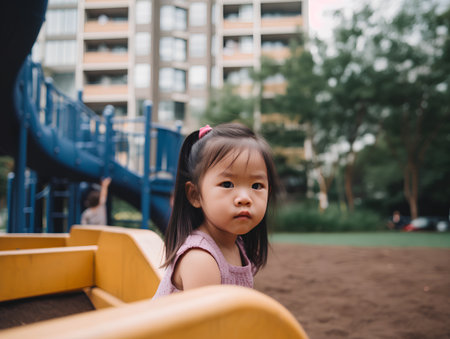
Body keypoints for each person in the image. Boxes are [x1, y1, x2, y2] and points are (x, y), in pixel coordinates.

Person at [153, 123, 280, 298]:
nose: (244, 198)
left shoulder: (237, 246)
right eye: (227, 184)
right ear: (195, 195)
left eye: (256, 185)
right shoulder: (201, 259)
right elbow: (206, 326)